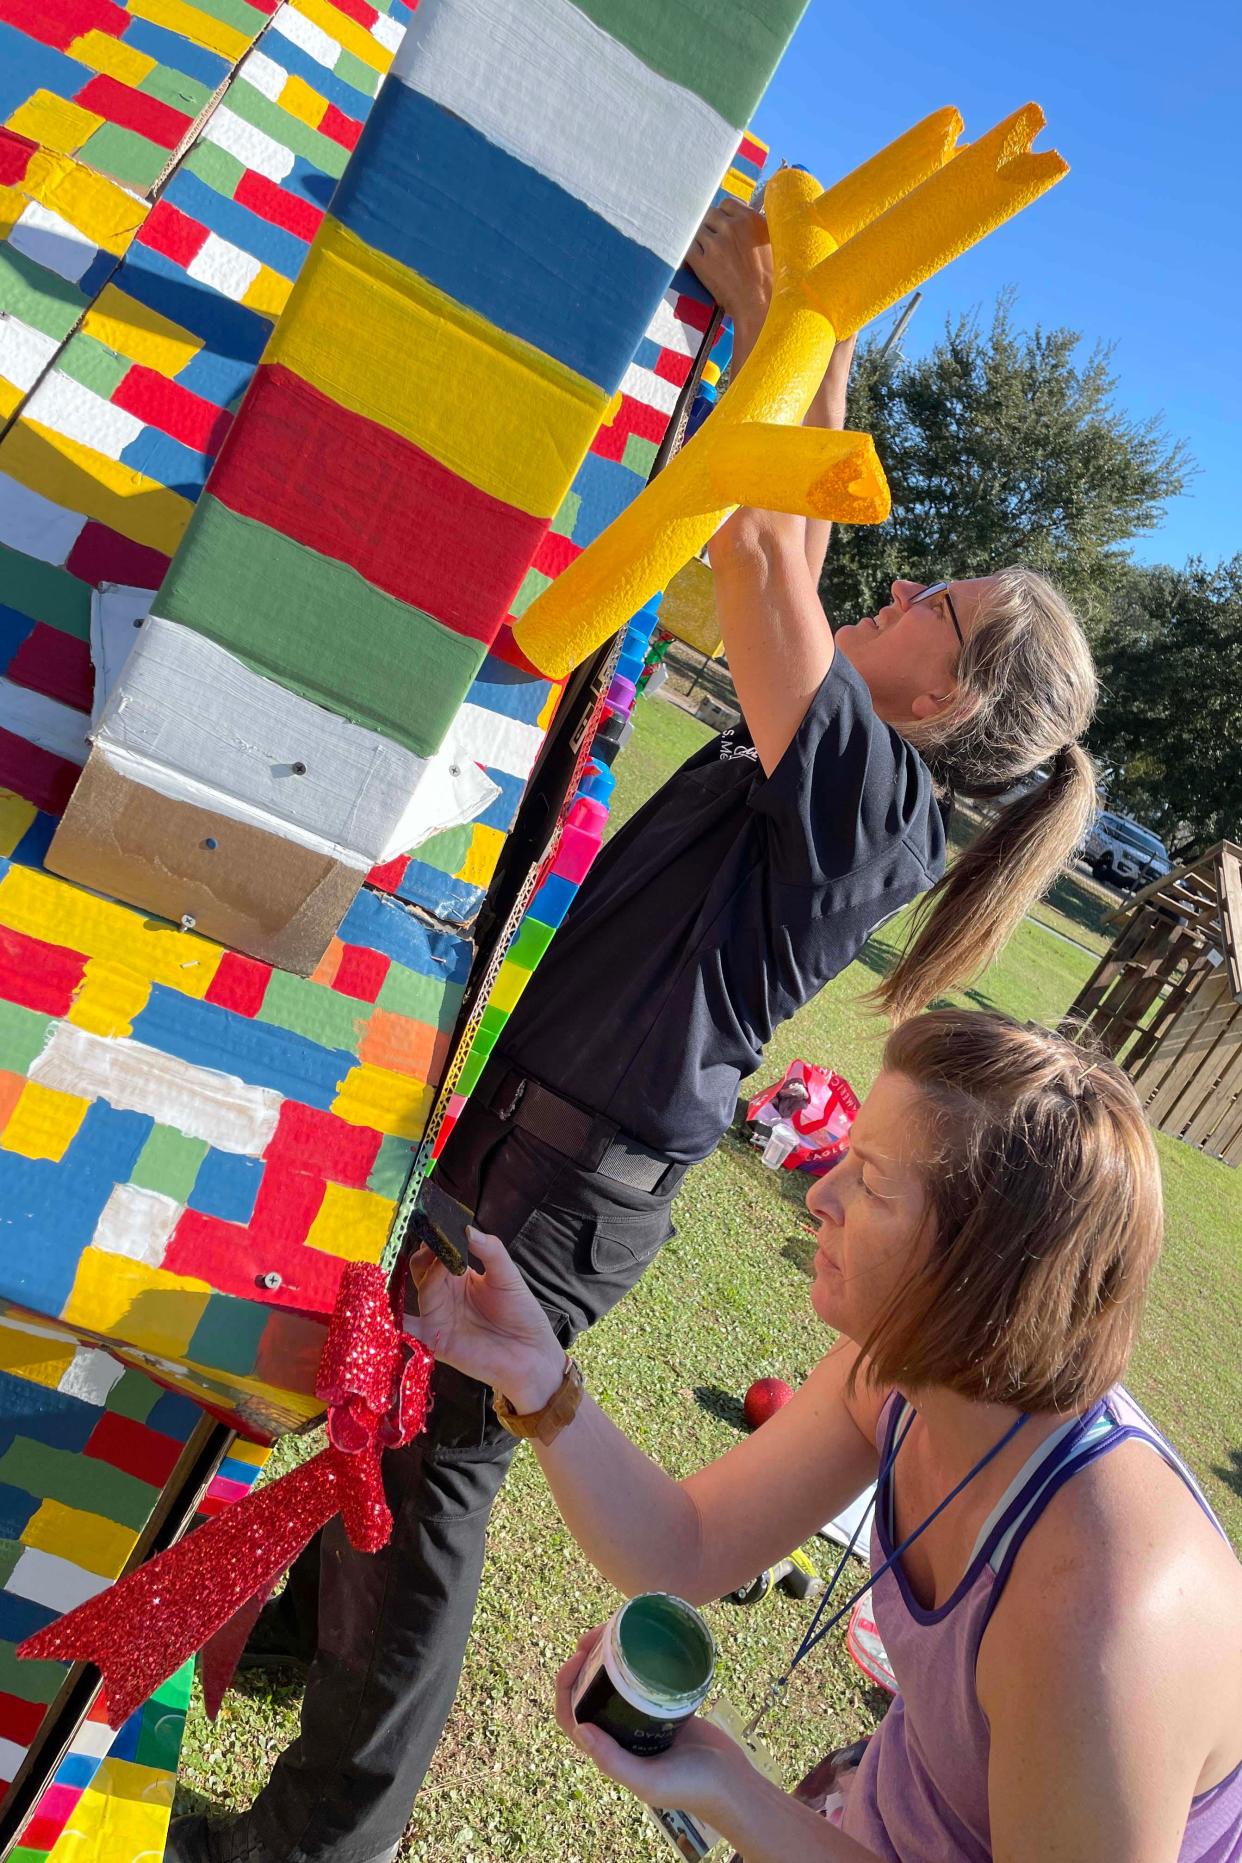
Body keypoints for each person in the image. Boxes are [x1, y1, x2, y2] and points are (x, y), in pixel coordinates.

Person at [168, 205, 1099, 1862]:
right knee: (390, 1418)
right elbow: (796, 549)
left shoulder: (871, 799)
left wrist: (784, 330)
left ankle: (326, 1836)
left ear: (945, 697)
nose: (892, 586)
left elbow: (756, 547)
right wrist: (803, 324)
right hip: (547, 1136)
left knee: (430, 1477)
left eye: (930, 602)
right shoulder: (839, 754)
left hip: (563, 1174)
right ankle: (288, 1646)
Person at [406, 1009, 1242, 1862]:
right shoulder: (905, 1373)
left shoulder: (1109, 1614)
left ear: (985, 1270)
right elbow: (687, 1546)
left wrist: (733, 1790)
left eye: (872, 1184)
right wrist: (536, 1376)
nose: (819, 1195)